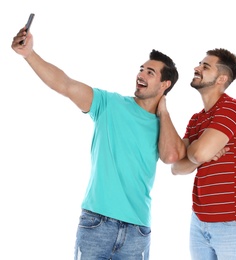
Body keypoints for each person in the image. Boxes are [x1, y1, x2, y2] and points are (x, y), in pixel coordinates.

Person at [11, 25, 187, 260]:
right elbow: (65, 84)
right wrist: (29, 54)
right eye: (142, 69)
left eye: (150, 73)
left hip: (137, 231)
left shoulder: (164, 127)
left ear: (165, 85)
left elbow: (172, 157)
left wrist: (163, 112)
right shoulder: (109, 104)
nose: (141, 75)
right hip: (97, 224)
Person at [172, 48, 236, 260]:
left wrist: (195, 153)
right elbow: (176, 167)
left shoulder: (232, 109)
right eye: (200, 64)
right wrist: (200, 152)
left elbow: (197, 155)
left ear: (222, 78)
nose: (196, 68)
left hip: (231, 223)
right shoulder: (196, 119)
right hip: (199, 220)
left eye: (205, 66)